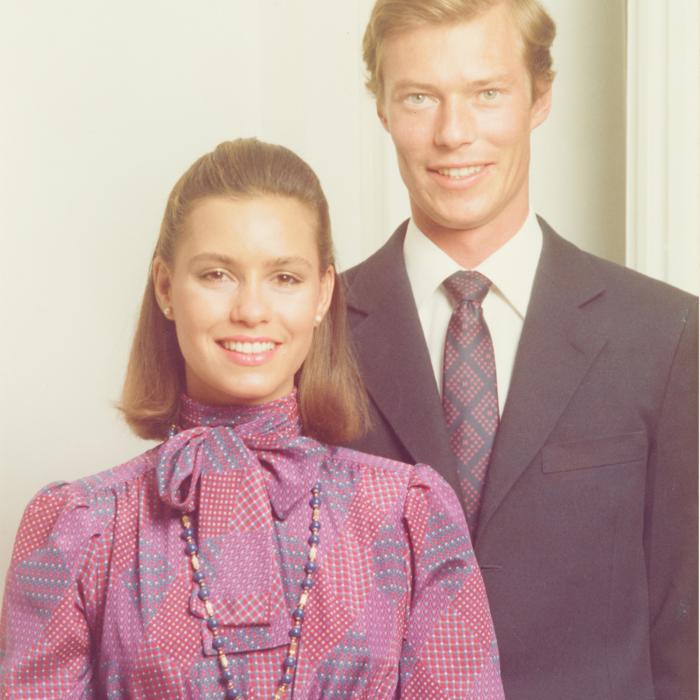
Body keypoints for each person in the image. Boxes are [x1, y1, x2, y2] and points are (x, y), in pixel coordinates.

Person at [0, 139, 504, 699]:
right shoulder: (80, 529)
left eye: (284, 277)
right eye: (217, 275)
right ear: (166, 288)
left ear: (322, 294)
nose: (251, 310)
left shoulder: (411, 515)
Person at [343, 1, 698, 699]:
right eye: (419, 97)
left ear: (540, 97)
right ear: (381, 106)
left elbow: (683, 633)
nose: (453, 133)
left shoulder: (664, 335)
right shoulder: (312, 334)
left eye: (487, 94)